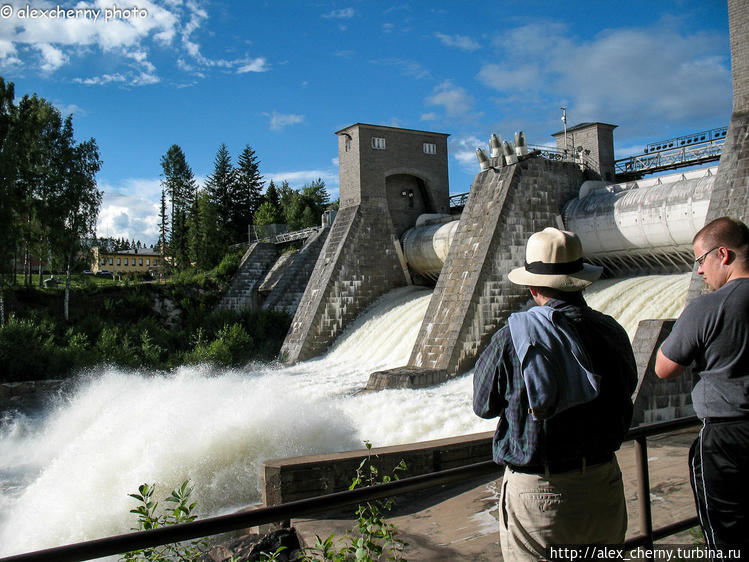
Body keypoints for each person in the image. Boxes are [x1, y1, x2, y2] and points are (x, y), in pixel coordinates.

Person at [473, 227, 637, 560]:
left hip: (539, 493)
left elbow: (483, 405)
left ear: (532, 286)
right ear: (581, 280)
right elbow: (627, 388)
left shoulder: (512, 338)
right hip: (603, 482)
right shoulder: (612, 331)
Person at [655, 216, 749, 555]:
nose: (698, 271)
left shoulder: (709, 306)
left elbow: (664, 367)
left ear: (722, 255)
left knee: (727, 537)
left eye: (700, 260)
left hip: (727, 441)